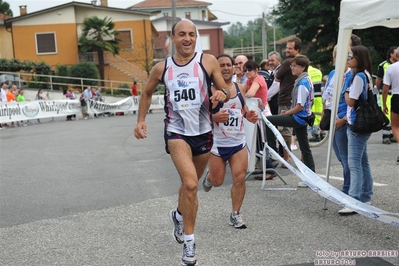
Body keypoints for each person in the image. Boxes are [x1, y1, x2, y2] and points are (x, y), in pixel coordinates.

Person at [133, 19, 229, 266]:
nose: (187, 38)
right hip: (176, 133)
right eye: (182, 34)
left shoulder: (207, 61)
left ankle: (177, 214)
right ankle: (189, 243)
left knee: (192, 185)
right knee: (189, 184)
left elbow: (225, 88)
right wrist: (140, 120)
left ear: (196, 38)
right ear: (173, 39)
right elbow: (146, 93)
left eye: (192, 34)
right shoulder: (161, 68)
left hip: (204, 131)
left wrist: (222, 93)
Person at [202, 54, 258, 229]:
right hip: (217, 143)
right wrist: (214, 116)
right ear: (216, 69)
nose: (226, 68)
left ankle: (236, 214)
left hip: (238, 143)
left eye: (229, 65)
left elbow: (243, 109)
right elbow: (198, 117)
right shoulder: (208, 90)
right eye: (222, 65)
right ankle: (210, 177)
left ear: (234, 68)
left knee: (239, 179)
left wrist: (249, 115)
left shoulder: (240, 88)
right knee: (218, 181)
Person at [266, 55, 316, 187]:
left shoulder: (302, 83)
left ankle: (272, 150)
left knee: (268, 120)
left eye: (294, 66)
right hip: (304, 117)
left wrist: (287, 112)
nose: (292, 68)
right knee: (305, 148)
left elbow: (299, 106)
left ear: (302, 67)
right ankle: (312, 178)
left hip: (299, 117)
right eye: (291, 66)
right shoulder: (306, 79)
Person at [339, 45, 374, 214]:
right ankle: (366, 194)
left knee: (354, 164)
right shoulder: (366, 74)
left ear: (359, 58)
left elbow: (351, 101)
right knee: (362, 161)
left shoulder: (359, 76)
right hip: (362, 123)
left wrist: (346, 91)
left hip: (356, 124)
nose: (348, 58)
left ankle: (353, 200)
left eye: (351, 56)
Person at [322, 45, 352, 195]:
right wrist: (323, 117)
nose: (338, 59)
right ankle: (349, 185)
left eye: (344, 56)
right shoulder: (333, 73)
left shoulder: (350, 75)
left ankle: (348, 188)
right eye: (336, 56)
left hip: (342, 119)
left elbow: (352, 102)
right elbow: (326, 97)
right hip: (330, 117)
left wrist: (343, 119)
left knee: (346, 157)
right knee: (340, 156)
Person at [243, 59, 278, 180]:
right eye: (245, 70)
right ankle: (265, 167)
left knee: (263, 142)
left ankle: (269, 168)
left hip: (262, 114)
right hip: (256, 113)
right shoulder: (249, 80)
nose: (247, 72)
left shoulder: (258, 79)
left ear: (256, 70)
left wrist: (241, 96)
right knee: (258, 143)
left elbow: (250, 93)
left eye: (250, 70)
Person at [274, 36, 302, 167]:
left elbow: (277, 77)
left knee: (284, 131)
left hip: (285, 98)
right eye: (286, 47)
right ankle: (302, 158)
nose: (287, 50)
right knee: (298, 129)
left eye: (290, 48)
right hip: (297, 98)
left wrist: (279, 76)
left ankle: (286, 159)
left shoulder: (287, 62)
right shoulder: (303, 61)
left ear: (297, 49)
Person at [376, 46, 397, 144]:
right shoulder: (384, 65)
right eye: (394, 51)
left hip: (394, 93)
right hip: (386, 93)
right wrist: (378, 89)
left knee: (394, 115)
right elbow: (379, 79)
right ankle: (386, 136)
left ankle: (393, 135)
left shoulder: (395, 65)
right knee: (387, 114)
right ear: (391, 54)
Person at [382, 48, 399, 164]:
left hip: (397, 96)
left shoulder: (391, 68)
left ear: (396, 55)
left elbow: (385, 89)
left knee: (395, 127)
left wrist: (384, 104)